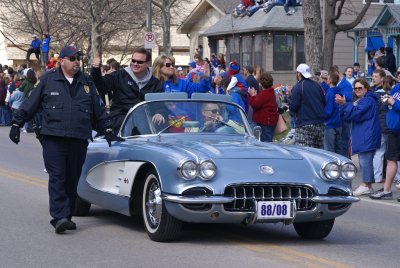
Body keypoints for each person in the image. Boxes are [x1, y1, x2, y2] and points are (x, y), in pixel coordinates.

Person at [8, 45, 119, 234]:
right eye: (73, 58)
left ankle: (66, 216)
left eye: (78, 58)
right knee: (58, 177)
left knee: (72, 178)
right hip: (53, 138)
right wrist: (17, 123)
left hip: (78, 137)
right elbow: (31, 103)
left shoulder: (86, 83)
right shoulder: (48, 80)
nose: (77, 61)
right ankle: (59, 217)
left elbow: (98, 109)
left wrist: (107, 128)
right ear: (62, 61)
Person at [91, 47, 162, 133]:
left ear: (147, 63)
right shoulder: (119, 76)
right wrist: (95, 69)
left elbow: (159, 103)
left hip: (144, 121)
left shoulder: (155, 82)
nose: (135, 64)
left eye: (139, 62)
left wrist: (159, 113)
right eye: (133, 60)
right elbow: (102, 86)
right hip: (120, 119)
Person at [335, 79, 381, 196]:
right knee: (364, 160)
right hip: (365, 134)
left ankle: (366, 184)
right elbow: (350, 115)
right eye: (355, 88)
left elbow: (355, 113)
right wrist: (344, 105)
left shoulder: (367, 100)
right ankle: (367, 185)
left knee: (365, 160)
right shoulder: (363, 100)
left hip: (367, 134)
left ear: (366, 88)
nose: (357, 90)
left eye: (360, 88)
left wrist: (344, 104)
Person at [370, 82, 400, 200]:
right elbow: (391, 102)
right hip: (393, 129)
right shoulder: (397, 87)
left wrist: (394, 103)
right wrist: (387, 101)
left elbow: (395, 103)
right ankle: (386, 190)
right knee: (391, 159)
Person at [288, 63, 326, 148]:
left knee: (305, 152)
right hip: (320, 124)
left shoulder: (298, 86)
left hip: (304, 124)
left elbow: (293, 107)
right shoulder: (317, 85)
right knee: (318, 154)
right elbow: (324, 102)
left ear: (298, 73)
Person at [248, 72, 279, 142]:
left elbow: (255, 105)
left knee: (266, 144)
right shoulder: (270, 92)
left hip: (265, 122)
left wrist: (252, 95)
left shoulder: (265, 94)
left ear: (261, 83)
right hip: (269, 121)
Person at [323, 72, 342, 154]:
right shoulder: (339, 91)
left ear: (330, 80)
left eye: (327, 78)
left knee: (329, 151)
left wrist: (321, 116)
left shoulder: (330, 93)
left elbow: (328, 111)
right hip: (339, 123)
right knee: (338, 149)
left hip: (330, 124)